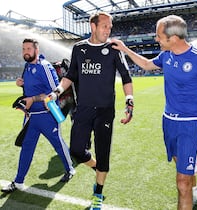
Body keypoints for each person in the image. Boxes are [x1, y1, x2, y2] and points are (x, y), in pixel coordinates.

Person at [111, 15, 197, 209]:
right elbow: (147, 64)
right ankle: (195, 189)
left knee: (182, 182)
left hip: (190, 124)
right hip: (168, 122)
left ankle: (190, 188)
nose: (156, 39)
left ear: (172, 38)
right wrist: (124, 49)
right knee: (181, 165)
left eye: (158, 36)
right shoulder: (166, 55)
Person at [48, 12, 134, 210]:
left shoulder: (114, 49)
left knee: (103, 153)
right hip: (84, 109)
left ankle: (98, 193)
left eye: (110, 27)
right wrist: (56, 92)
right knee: (77, 150)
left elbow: (126, 77)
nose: (108, 30)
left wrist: (130, 101)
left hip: (105, 111)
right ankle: (97, 168)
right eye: (105, 26)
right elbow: (70, 76)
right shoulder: (79, 48)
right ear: (93, 26)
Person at [1, 38, 75, 193]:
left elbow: (53, 92)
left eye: (28, 48)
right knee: (26, 147)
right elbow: (29, 90)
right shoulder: (27, 67)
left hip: (46, 115)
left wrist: (33, 99)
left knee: (58, 144)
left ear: (36, 50)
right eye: (23, 49)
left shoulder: (45, 66)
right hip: (30, 117)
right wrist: (21, 83)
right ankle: (18, 181)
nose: (25, 52)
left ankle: (70, 169)